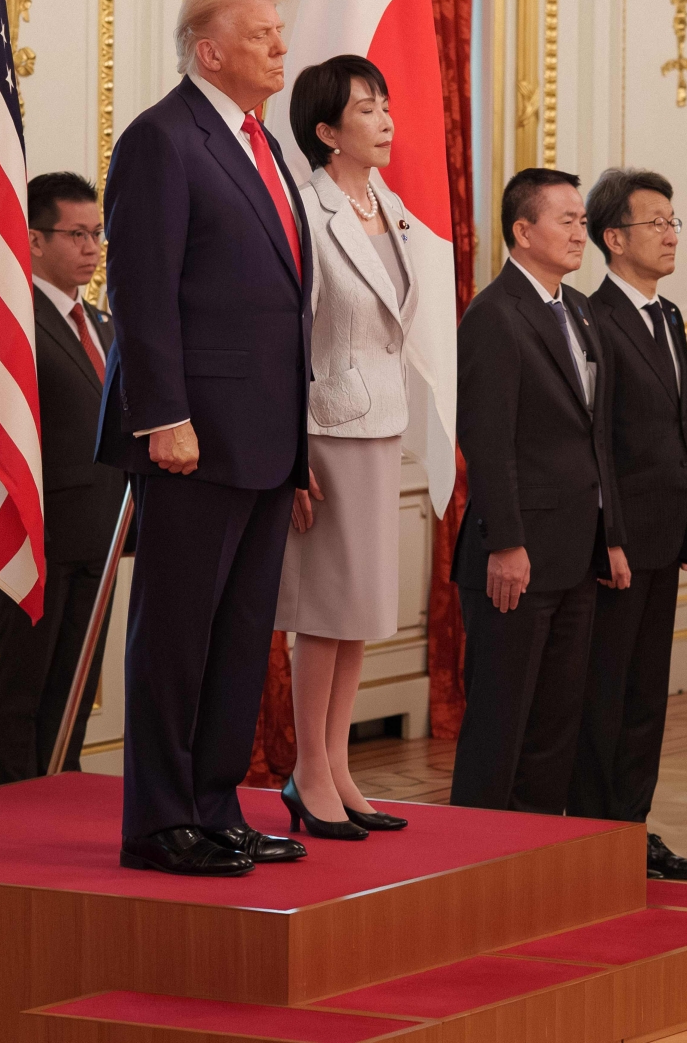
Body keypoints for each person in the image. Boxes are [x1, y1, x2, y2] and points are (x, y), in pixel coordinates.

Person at [96, 0, 311, 877]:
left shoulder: (264, 145)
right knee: (177, 635)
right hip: (192, 436)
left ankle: (215, 807)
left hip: (264, 437)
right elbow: (143, 295)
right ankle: (156, 821)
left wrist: (298, 447)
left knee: (236, 635)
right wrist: (166, 419)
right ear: (209, 50)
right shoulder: (160, 139)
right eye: (261, 34)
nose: (280, 47)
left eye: (280, 32)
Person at [449, 168, 626, 814]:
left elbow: (594, 435)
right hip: (517, 559)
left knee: (555, 724)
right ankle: (472, 862)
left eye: (583, 221)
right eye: (568, 220)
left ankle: (534, 861)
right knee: (501, 724)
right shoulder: (494, 313)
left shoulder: (576, 308)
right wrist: (508, 543)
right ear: (524, 231)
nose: (582, 233)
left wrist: (611, 538)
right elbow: (487, 440)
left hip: (576, 553)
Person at [274, 55, 414, 840]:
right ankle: (309, 770)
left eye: (385, 103)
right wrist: (291, 456)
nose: (386, 118)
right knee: (324, 611)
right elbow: (288, 338)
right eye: (367, 108)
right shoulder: (305, 209)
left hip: (381, 422)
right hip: (326, 428)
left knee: (358, 610)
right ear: (327, 131)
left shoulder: (386, 204)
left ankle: (336, 761)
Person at [568, 169, 687, 880]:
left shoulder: (668, 316)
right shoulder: (595, 319)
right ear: (614, 238)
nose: (672, 232)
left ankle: (634, 831)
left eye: (674, 220)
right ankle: (594, 837)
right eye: (657, 222)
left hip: (666, 531)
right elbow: (597, 442)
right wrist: (609, 535)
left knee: (648, 696)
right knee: (607, 691)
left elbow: (677, 429)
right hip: (620, 543)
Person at [0, 173, 126, 784]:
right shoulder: (12, 322)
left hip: (103, 531)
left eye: (97, 233)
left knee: (77, 677)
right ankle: (13, 797)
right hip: (35, 533)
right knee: (25, 678)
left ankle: (59, 783)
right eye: (77, 234)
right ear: (35, 241)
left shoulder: (104, 324)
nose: (92, 247)